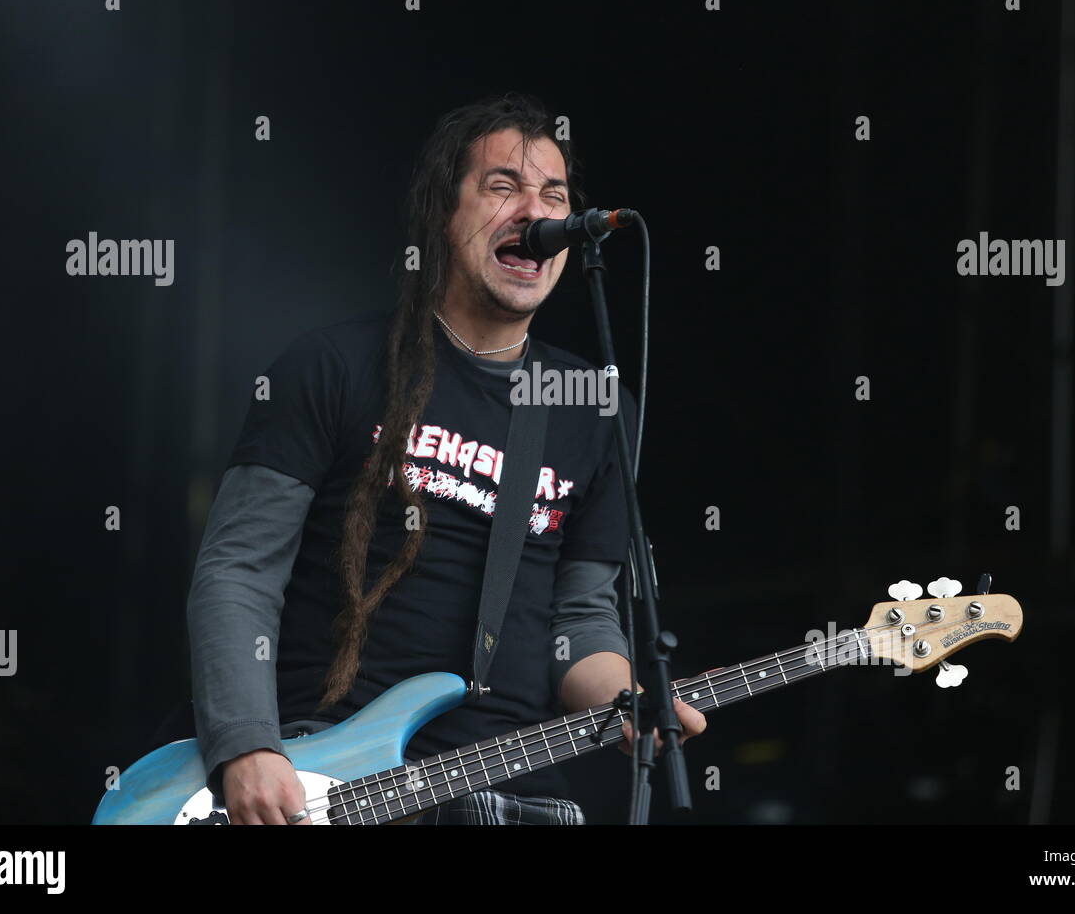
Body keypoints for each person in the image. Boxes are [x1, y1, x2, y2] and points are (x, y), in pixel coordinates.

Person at [186, 91, 705, 826]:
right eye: (502, 187)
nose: (536, 213)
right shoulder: (333, 366)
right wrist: (244, 747)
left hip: (518, 794)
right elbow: (238, 570)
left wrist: (631, 697)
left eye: (553, 196)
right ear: (440, 215)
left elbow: (581, 617)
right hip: (327, 776)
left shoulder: (593, 406)